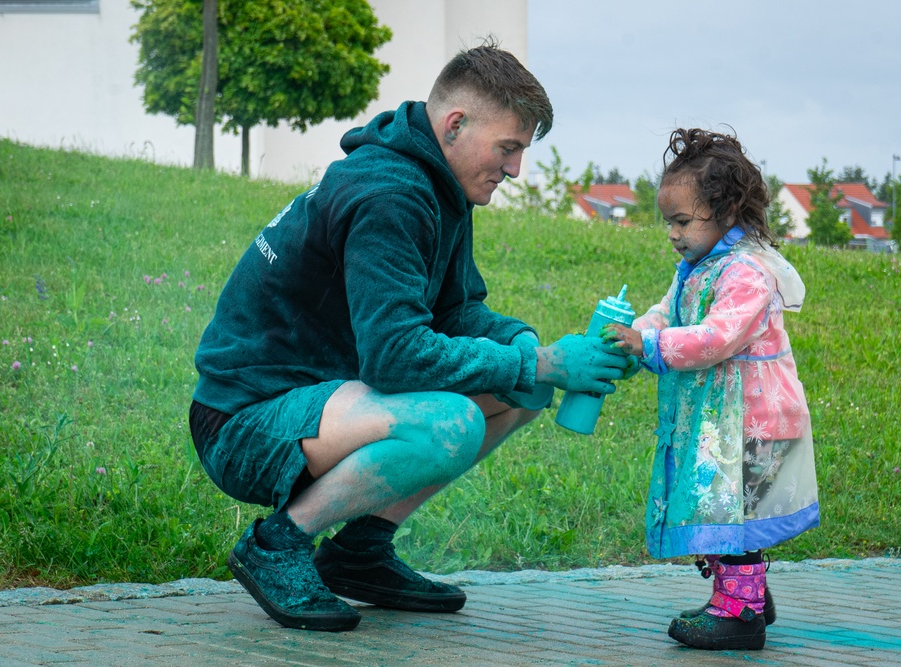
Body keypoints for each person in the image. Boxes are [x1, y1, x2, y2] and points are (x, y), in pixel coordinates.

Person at [188, 41, 626, 632]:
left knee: (521, 391)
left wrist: (538, 353)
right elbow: (396, 357)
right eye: (509, 148)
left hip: (324, 397)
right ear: (455, 124)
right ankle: (276, 545)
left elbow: (458, 313)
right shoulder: (390, 194)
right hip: (244, 421)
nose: (516, 169)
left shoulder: (439, 184)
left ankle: (360, 552)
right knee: (452, 421)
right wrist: (541, 362)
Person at [603, 128, 819, 651]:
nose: (673, 234)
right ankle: (746, 594)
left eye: (682, 221)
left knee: (731, 512)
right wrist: (636, 333)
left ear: (725, 211)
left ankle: (740, 614)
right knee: (718, 505)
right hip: (719, 416)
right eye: (669, 223)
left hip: (751, 418)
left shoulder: (747, 271)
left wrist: (650, 346)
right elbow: (669, 311)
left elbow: (716, 338)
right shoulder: (696, 268)